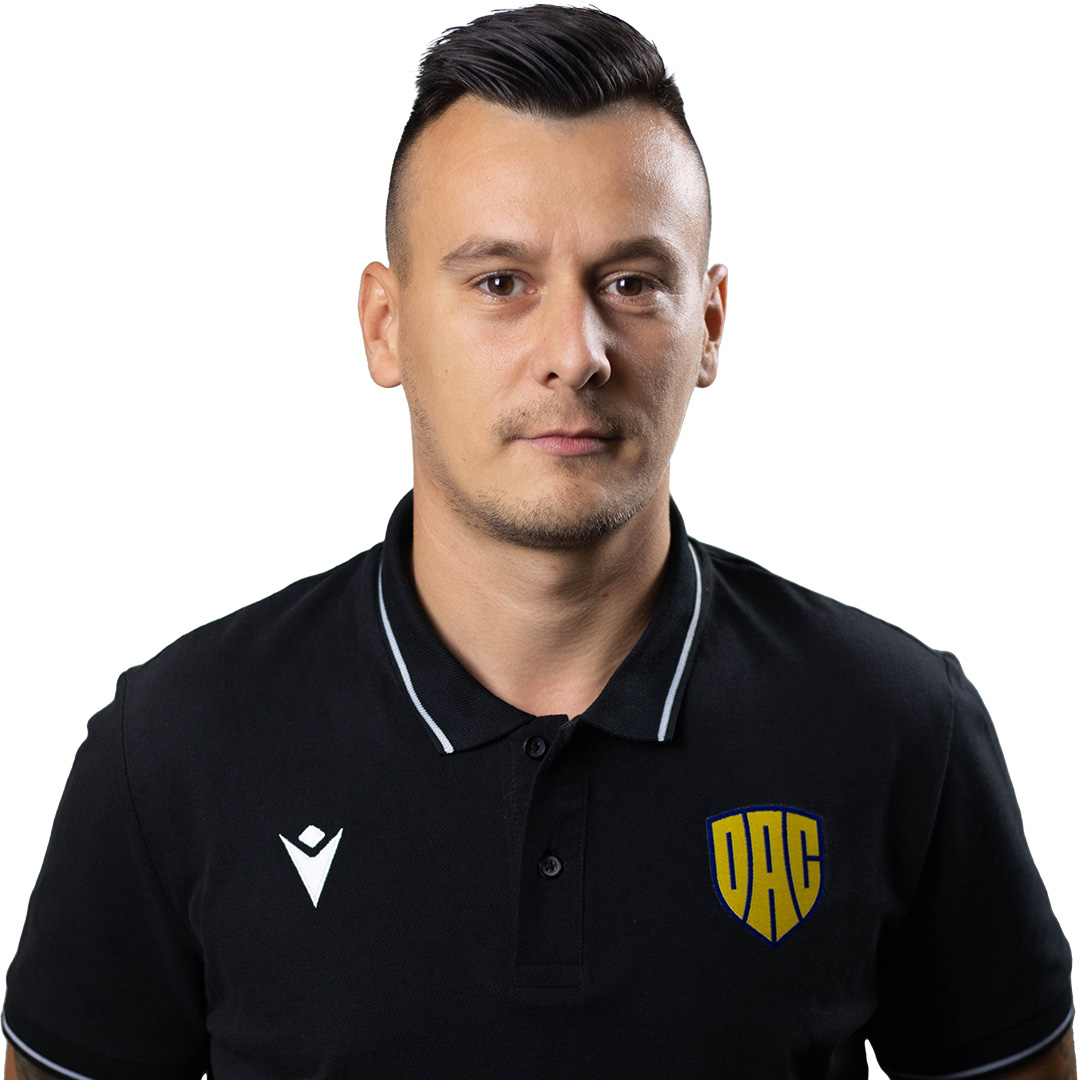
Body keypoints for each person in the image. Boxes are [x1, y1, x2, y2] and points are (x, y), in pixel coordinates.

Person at [3, 5, 1074, 1078]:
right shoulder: (175, 745)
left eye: (632, 283)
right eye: (500, 282)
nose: (575, 351)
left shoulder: (898, 725)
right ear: (385, 325)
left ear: (709, 325)